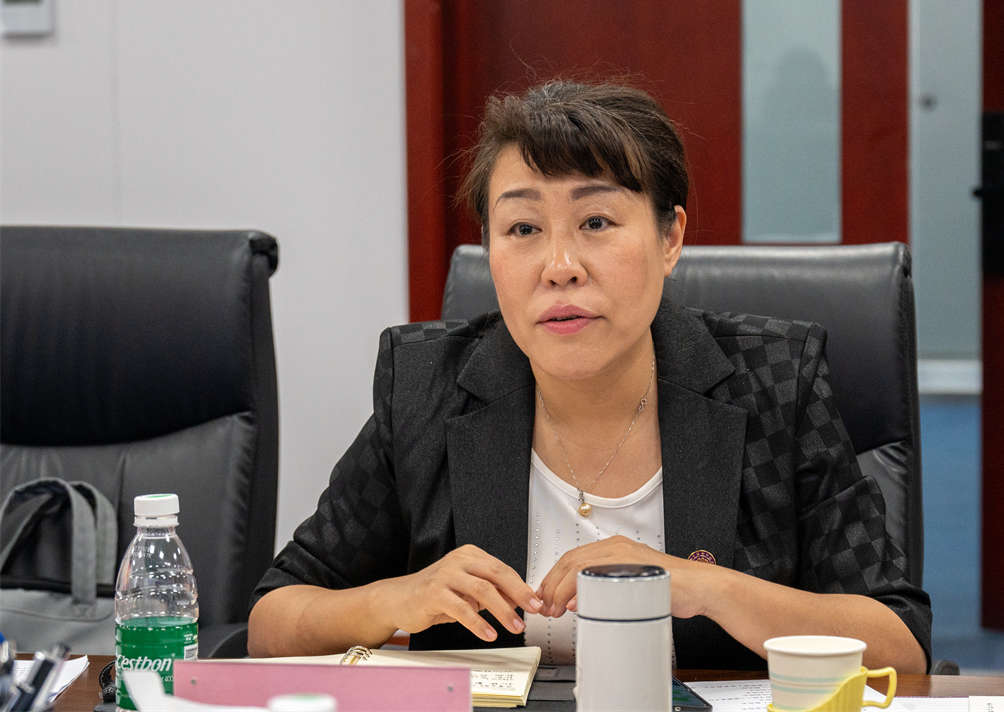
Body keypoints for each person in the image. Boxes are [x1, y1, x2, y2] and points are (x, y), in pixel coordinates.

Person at [248, 79, 931, 673]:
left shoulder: (774, 380)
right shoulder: (427, 387)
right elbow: (272, 621)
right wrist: (392, 600)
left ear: (670, 238)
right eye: (522, 229)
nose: (560, 266)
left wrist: (703, 588)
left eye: (596, 221)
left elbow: (899, 643)